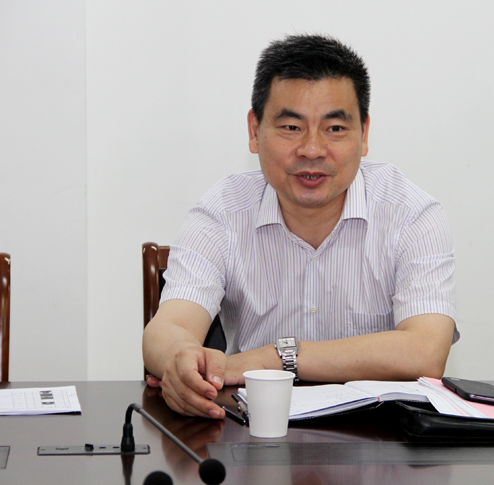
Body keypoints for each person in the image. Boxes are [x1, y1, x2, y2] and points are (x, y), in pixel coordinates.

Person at [142, 34, 458, 418]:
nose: (312, 149)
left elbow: (425, 352)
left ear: (364, 134)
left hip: (378, 434)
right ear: (255, 131)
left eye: (334, 128)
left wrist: (277, 356)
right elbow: (167, 328)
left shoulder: (411, 214)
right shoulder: (223, 211)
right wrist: (181, 360)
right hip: (254, 428)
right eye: (291, 127)